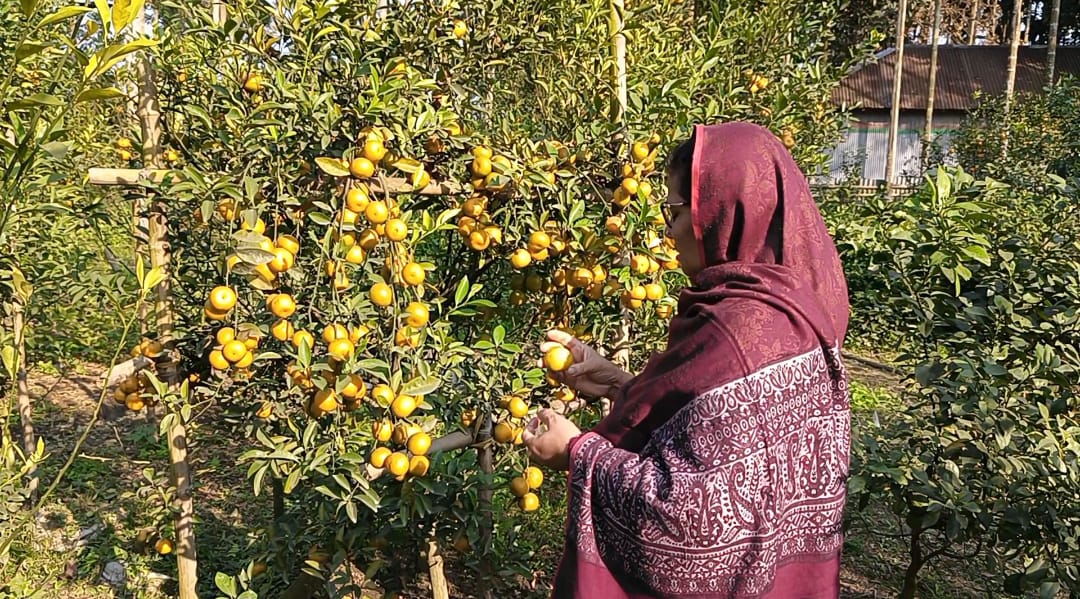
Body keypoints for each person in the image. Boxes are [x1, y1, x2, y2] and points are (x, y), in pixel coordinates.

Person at [522, 122, 851, 599]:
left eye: (676, 210)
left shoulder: (732, 331)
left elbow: (689, 522)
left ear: (719, 212)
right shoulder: (799, 309)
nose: (669, 229)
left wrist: (575, 453)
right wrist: (620, 385)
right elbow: (725, 434)